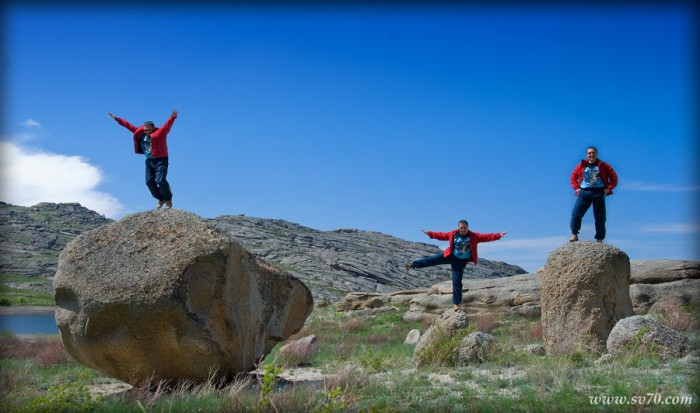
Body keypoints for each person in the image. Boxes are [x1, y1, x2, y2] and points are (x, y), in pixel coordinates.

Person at [406, 220, 507, 311]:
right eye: (461, 228)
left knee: (457, 282)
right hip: (450, 255)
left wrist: (498, 235)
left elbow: (486, 237)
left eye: (464, 228)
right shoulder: (453, 233)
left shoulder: (473, 236)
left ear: (468, 228)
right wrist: (430, 233)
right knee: (432, 260)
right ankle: (413, 265)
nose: (462, 230)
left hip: (460, 262)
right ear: (458, 227)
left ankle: (457, 304)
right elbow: (441, 235)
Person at [108, 110, 178, 209]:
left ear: (153, 128)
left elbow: (167, 125)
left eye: (149, 130)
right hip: (149, 160)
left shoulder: (161, 132)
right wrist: (116, 118)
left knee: (160, 180)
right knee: (149, 182)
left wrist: (172, 117)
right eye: (145, 130)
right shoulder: (140, 132)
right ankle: (160, 199)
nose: (147, 132)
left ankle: (168, 198)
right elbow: (127, 125)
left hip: (161, 159)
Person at [569, 146, 618, 243]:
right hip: (584, 192)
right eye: (589, 153)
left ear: (596, 153)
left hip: (599, 192)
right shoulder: (582, 165)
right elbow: (573, 177)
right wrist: (577, 188)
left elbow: (614, 177)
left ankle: (599, 239)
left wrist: (608, 189)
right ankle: (574, 234)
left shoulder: (604, 165)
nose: (591, 155)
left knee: (600, 216)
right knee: (576, 213)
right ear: (587, 154)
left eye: (593, 153)